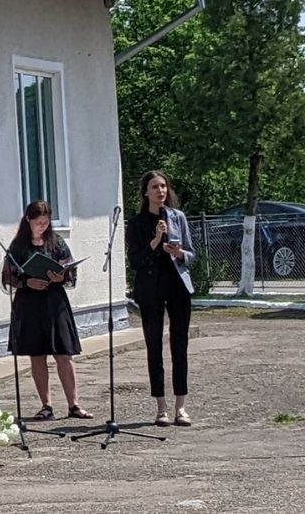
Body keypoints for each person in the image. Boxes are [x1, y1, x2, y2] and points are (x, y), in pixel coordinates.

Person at [2, 200, 92, 420]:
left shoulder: (56, 242)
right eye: (38, 222)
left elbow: (69, 267)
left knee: (64, 353)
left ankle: (74, 404)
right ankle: (46, 405)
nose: (43, 226)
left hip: (54, 301)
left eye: (46, 222)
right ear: (28, 221)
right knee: (37, 354)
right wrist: (26, 283)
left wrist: (62, 275)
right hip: (29, 302)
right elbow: (7, 276)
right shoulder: (19, 246)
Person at [126, 170, 196, 427]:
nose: (160, 191)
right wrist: (155, 241)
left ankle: (181, 407)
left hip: (177, 285)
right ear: (146, 192)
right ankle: (161, 408)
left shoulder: (178, 217)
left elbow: (191, 254)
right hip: (150, 288)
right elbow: (135, 261)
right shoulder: (137, 223)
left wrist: (178, 253)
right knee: (154, 346)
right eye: (155, 187)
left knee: (180, 346)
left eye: (164, 186)